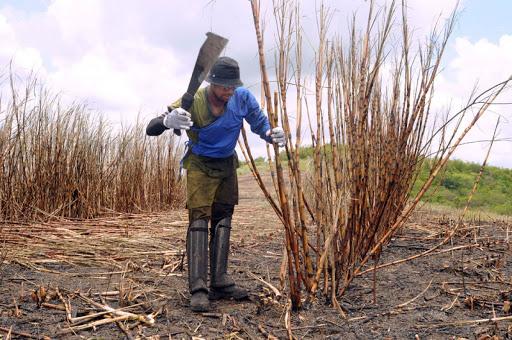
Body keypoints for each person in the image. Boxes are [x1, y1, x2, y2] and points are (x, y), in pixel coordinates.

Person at [146, 56, 286, 312]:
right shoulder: (194, 101)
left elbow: (260, 124)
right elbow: (151, 128)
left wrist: (272, 134)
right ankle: (198, 289)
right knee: (199, 221)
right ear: (212, 83)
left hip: (226, 165)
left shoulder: (242, 98)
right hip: (199, 165)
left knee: (223, 219)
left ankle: (219, 282)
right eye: (224, 87)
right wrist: (168, 121)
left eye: (233, 87)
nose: (229, 92)